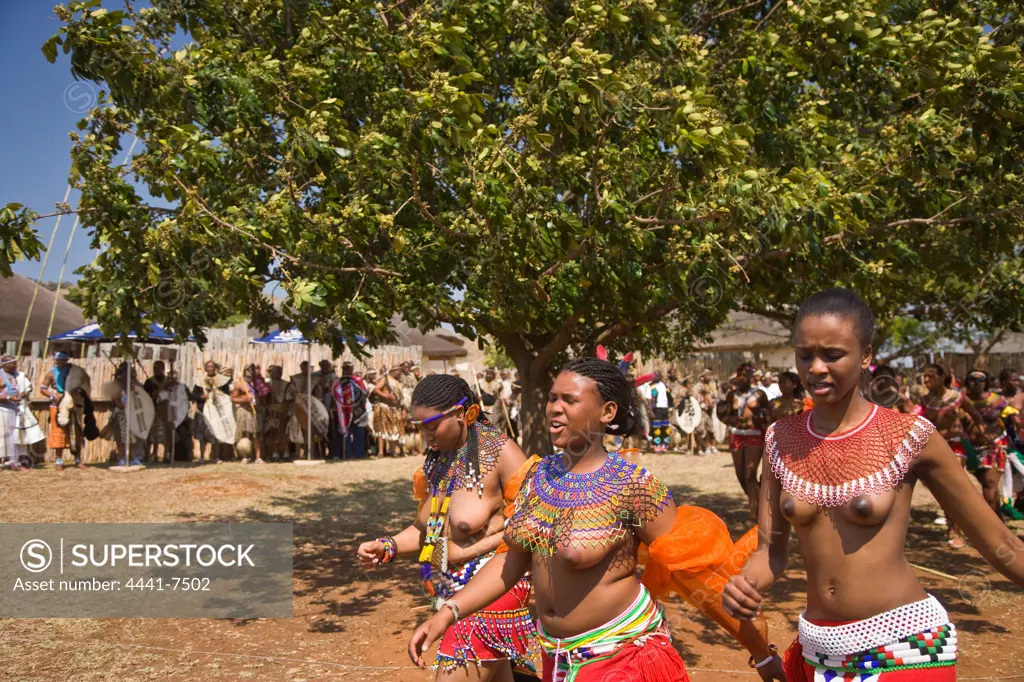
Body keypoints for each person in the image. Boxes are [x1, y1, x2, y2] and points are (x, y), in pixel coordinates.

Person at [408, 357, 781, 682]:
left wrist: (761, 652)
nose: (554, 408)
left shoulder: (633, 487)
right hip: (556, 656)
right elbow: (512, 558)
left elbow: (697, 572)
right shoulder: (535, 478)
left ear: (607, 412)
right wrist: (449, 611)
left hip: (623, 657)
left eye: (569, 400)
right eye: (553, 398)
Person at [723, 287, 1024, 681]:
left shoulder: (909, 435)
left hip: (903, 649)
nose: (815, 368)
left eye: (832, 355)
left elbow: (1000, 544)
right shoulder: (780, 439)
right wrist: (747, 583)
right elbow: (770, 554)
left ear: (866, 355)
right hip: (819, 655)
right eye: (804, 354)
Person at [357, 375, 539, 679]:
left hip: (496, 588)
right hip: (451, 592)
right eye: (420, 426)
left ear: (462, 413)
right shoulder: (438, 460)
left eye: (432, 425)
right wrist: (388, 546)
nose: (426, 434)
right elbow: (425, 530)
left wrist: (477, 548)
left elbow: (532, 527)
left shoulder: (502, 453)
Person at [917, 363, 977, 547]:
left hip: (956, 446)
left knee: (954, 488)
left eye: (931, 376)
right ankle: (953, 525)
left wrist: (976, 430)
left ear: (942, 377)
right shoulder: (925, 401)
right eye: (924, 377)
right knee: (943, 491)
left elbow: (974, 414)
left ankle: (956, 530)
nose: (926, 380)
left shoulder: (957, 397)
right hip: (935, 448)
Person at [718, 364, 772, 519]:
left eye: (745, 375)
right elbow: (723, 414)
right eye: (739, 375)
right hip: (737, 435)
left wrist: (759, 420)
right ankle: (758, 501)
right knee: (741, 475)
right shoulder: (732, 395)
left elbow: (768, 414)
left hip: (754, 435)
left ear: (750, 377)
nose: (742, 378)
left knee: (750, 473)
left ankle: (755, 513)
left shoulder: (760, 394)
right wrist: (731, 420)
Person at [962, 369, 1014, 515]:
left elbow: (1011, 417)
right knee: (986, 485)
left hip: (994, 445)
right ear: (968, 382)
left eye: (981, 380)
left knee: (990, 484)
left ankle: (993, 522)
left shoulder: (996, 400)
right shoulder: (961, 400)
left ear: (986, 383)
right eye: (973, 379)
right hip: (971, 448)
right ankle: (996, 518)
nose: (977, 383)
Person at [39, 351, 89, 470]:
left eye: (63, 361)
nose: (61, 363)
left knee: (76, 431)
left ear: (67, 361)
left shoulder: (74, 372)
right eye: (59, 361)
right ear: (56, 362)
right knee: (59, 433)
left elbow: (84, 385)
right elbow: (43, 388)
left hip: (74, 403)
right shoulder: (51, 373)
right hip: (58, 405)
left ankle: (77, 460)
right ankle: (59, 460)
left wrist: (78, 392)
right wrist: (53, 396)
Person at [1, 355, 45, 470]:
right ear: (4, 365)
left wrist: (21, 396)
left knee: (20, 435)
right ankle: (6, 461)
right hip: (4, 409)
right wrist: (9, 399)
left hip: (19, 409)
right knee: (5, 436)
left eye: (15, 363)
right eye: (12, 363)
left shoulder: (20, 376)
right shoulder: (1, 376)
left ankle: (20, 460)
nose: (15, 365)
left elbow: (27, 389)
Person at [108, 362, 147, 466]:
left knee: (132, 438)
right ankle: (121, 458)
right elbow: (116, 401)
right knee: (122, 438)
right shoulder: (116, 385)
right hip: (121, 413)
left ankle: (133, 457)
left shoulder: (134, 385)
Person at [192, 361, 231, 463]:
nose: (210, 368)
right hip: (203, 410)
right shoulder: (200, 380)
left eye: (212, 366)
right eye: (208, 366)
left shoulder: (221, 381)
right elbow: (193, 395)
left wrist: (217, 395)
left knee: (216, 433)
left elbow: (227, 395)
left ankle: (216, 456)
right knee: (202, 434)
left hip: (216, 410)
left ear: (215, 368)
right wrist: (201, 397)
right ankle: (202, 456)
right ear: (205, 368)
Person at [231, 364, 270, 463]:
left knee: (256, 434)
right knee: (244, 433)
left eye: (252, 370)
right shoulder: (240, 384)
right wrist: (244, 399)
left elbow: (264, 395)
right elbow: (233, 398)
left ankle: (258, 457)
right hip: (244, 411)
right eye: (249, 370)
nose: (250, 373)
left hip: (256, 411)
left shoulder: (258, 384)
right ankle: (244, 456)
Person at [333, 361, 369, 459]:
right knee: (346, 434)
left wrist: (361, 406)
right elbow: (336, 396)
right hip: (344, 412)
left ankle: (359, 454)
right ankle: (347, 454)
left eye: (350, 369)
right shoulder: (339, 382)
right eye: (346, 369)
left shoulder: (358, 380)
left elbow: (364, 394)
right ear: (343, 369)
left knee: (359, 433)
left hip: (358, 410)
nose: (348, 370)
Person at [143, 360, 174, 463]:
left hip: (166, 409)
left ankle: (166, 455)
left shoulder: (168, 381)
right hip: (153, 409)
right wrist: (153, 395)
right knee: (153, 433)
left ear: (163, 369)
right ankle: (153, 454)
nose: (157, 370)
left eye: (159, 368)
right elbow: (144, 396)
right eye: (155, 368)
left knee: (167, 433)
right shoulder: (149, 382)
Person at [371, 366, 406, 457]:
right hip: (384, 407)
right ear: (394, 371)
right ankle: (381, 452)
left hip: (395, 408)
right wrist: (385, 396)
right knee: (382, 430)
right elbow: (376, 389)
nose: (400, 374)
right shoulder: (385, 379)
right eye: (399, 371)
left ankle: (393, 451)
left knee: (394, 430)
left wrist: (403, 409)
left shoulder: (397, 382)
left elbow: (401, 398)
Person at [264, 365, 294, 461]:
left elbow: (289, 398)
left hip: (282, 411)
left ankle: (285, 453)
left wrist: (288, 410)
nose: (276, 374)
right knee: (273, 432)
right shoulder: (267, 385)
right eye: (274, 372)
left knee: (283, 432)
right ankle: (274, 453)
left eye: (278, 372)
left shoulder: (286, 384)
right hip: (271, 411)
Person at [640, 370, 671, 453]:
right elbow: (650, 400)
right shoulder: (651, 386)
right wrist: (650, 411)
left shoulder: (664, 385)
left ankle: (664, 445)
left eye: (657, 375)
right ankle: (657, 446)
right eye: (654, 375)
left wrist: (670, 407)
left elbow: (669, 397)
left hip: (665, 408)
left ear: (661, 376)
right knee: (657, 428)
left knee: (666, 428)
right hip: (657, 409)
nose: (655, 377)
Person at [694, 368, 720, 455]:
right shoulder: (698, 386)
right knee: (701, 430)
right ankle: (702, 448)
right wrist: (702, 403)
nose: (710, 377)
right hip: (701, 411)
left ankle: (713, 447)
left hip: (710, 411)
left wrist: (713, 401)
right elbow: (695, 398)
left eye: (710, 375)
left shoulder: (711, 385)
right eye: (707, 375)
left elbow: (715, 396)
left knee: (711, 429)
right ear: (702, 377)